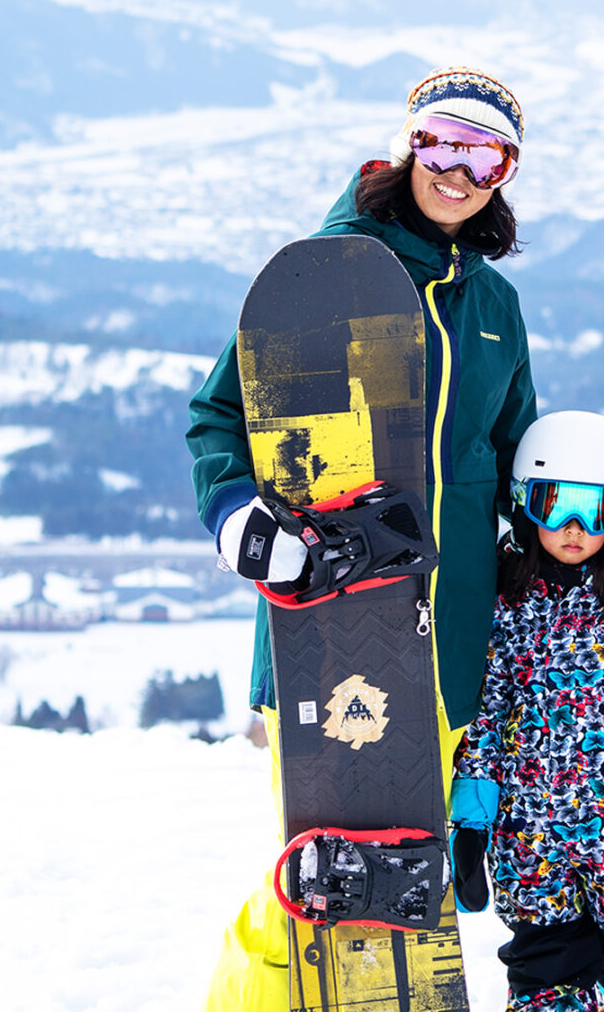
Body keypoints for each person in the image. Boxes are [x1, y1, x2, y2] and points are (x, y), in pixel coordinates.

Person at [185, 65, 540, 1012]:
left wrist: (603, 542)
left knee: (398, 882)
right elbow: (217, 420)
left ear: (506, 171)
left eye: (484, 153)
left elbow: (517, 462)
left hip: (447, 643)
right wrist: (237, 521)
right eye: (441, 142)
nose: (457, 170)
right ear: (407, 143)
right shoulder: (325, 279)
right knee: (315, 878)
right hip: (327, 630)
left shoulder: (494, 307)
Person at [449, 410, 604, 1012]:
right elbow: (487, 710)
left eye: (597, 510)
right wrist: (473, 817)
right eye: (554, 502)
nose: (573, 527)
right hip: (529, 836)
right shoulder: (507, 603)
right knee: (545, 966)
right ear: (524, 505)